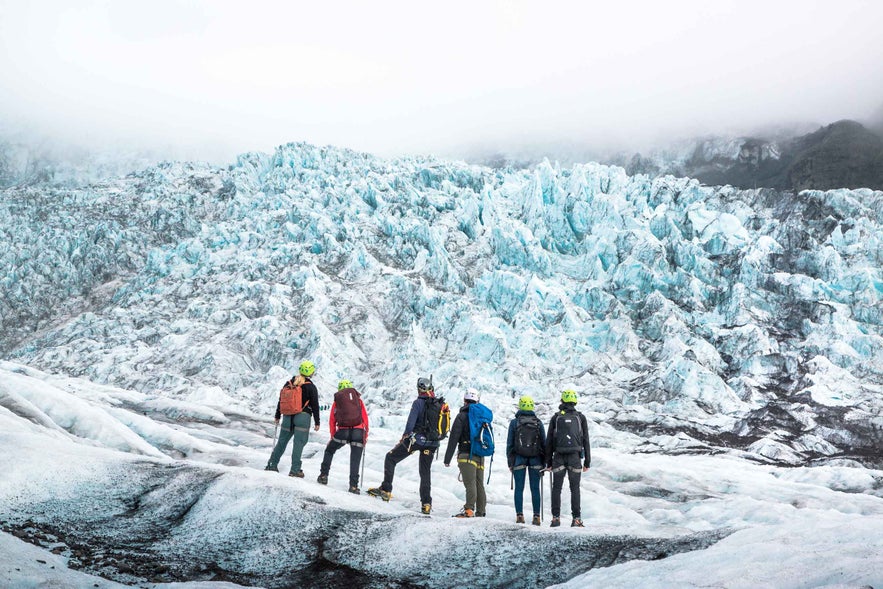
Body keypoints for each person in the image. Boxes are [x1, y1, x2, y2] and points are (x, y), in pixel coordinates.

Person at [367, 377, 449, 515]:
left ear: (419, 389)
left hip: (416, 441)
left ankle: (386, 490)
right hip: (433, 443)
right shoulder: (440, 404)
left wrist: (404, 437)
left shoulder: (418, 403)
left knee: (391, 458)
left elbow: (410, 425)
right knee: (425, 472)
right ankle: (426, 503)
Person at [265, 360, 320, 477]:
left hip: (287, 417)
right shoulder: (311, 387)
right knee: (298, 444)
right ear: (311, 373)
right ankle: (295, 470)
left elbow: (281, 400)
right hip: (303, 417)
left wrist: (277, 415)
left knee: (282, 442)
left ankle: (272, 464)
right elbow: (315, 405)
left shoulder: (289, 383)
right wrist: (317, 422)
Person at [544, 389, 591, 528]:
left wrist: (549, 461)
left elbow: (549, 441)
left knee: (556, 488)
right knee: (574, 488)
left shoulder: (556, 417)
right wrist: (587, 461)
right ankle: (576, 519)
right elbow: (586, 440)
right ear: (574, 401)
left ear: (562, 401)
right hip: (575, 457)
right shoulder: (580, 417)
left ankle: (555, 518)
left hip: (558, 456)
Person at [317, 379, 369, 494]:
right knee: (355, 459)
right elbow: (365, 419)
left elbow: (332, 420)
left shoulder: (338, 402)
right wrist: (365, 436)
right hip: (358, 432)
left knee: (330, 450)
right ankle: (353, 486)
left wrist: (332, 435)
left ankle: (324, 475)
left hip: (343, 432)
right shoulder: (358, 401)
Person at [443, 388, 488, 518]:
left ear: (464, 400)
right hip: (480, 455)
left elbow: (454, 438)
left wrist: (447, 458)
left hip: (466, 454)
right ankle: (481, 511)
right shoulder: (482, 417)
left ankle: (469, 510)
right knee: (479, 483)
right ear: (477, 401)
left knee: (470, 483)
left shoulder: (462, 416)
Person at [507, 395, 546, 525]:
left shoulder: (514, 422)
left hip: (519, 459)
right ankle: (536, 517)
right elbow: (544, 444)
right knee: (535, 488)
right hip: (536, 460)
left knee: (519, 488)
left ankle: (519, 515)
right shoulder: (538, 422)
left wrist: (510, 462)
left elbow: (510, 444)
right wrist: (545, 462)